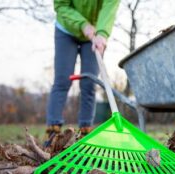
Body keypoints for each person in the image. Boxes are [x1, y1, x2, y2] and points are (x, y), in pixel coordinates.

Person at [44, 0, 120, 146]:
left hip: (94, 34)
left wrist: (102, 34)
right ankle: (53, 133)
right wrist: (83, 25)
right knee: (62, 80)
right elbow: (61, 5)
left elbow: (109, 6)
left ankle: (85, 134)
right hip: (66, 29)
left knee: (89, 83)